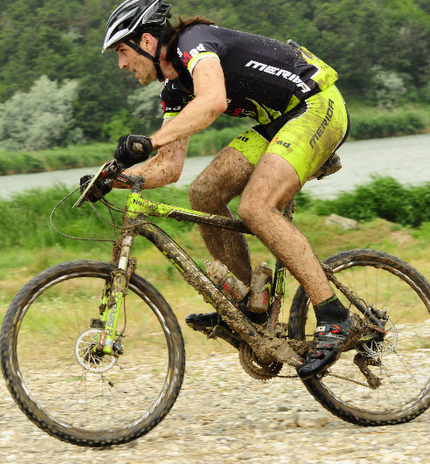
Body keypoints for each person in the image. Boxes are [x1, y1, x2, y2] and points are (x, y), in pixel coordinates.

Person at [87, 0, 352, 379]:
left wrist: (151, 139)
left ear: (147, 40)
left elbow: (212, 101)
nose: (122, 64)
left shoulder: (194, 43)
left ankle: (333, 314)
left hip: (315, 107)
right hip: (279, 123)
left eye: (123, 52)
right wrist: (112, 178)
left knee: (255, 208)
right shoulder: (174, 89)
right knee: (204, 192)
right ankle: (249, 307)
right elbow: (168, 166)